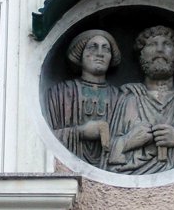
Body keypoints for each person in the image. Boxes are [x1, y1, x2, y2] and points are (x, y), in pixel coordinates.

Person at [107, 25, 174, 174]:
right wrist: (128, 141)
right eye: (152, 44)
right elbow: (104, 152)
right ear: (141, 55)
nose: (160, 49)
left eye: (167, 44)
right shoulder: (126, 98)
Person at [47, 29, 121, 167]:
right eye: (93, 47)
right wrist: (81, 132)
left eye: (106, 49)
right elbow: (46, 139)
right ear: (80, 54)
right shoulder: (60, 93)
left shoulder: (120, 97)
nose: (100, 53)